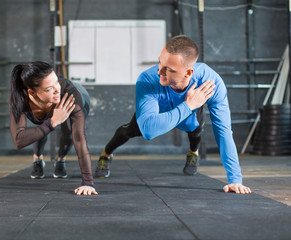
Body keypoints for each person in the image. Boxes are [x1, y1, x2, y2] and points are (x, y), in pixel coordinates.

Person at [95, 35, 251, 194]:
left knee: (195, 131)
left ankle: (192, 152)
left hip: (188, 114)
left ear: (188, 73)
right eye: (160, 63)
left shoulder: (211, 83)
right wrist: (189, 105)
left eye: (169, 69)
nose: (159, 71)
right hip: (161, 112)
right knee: (127, 131)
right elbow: (149, 130)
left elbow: (223, 131)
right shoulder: (148, 79)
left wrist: (235, 179)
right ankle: (106, 154)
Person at [9, 61, 97, 195]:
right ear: (32, 92)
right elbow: (18, 141)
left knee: (68, 132)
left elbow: (79, 138)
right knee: (43, 127)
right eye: (49, 88)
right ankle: (37, 158)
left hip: (81, 95)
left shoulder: (68, 95)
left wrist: (88, 182)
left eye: (56, 82)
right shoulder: (19, 100)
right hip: (48, 114)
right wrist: (52, 122)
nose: (57, 89)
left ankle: (60, 159)